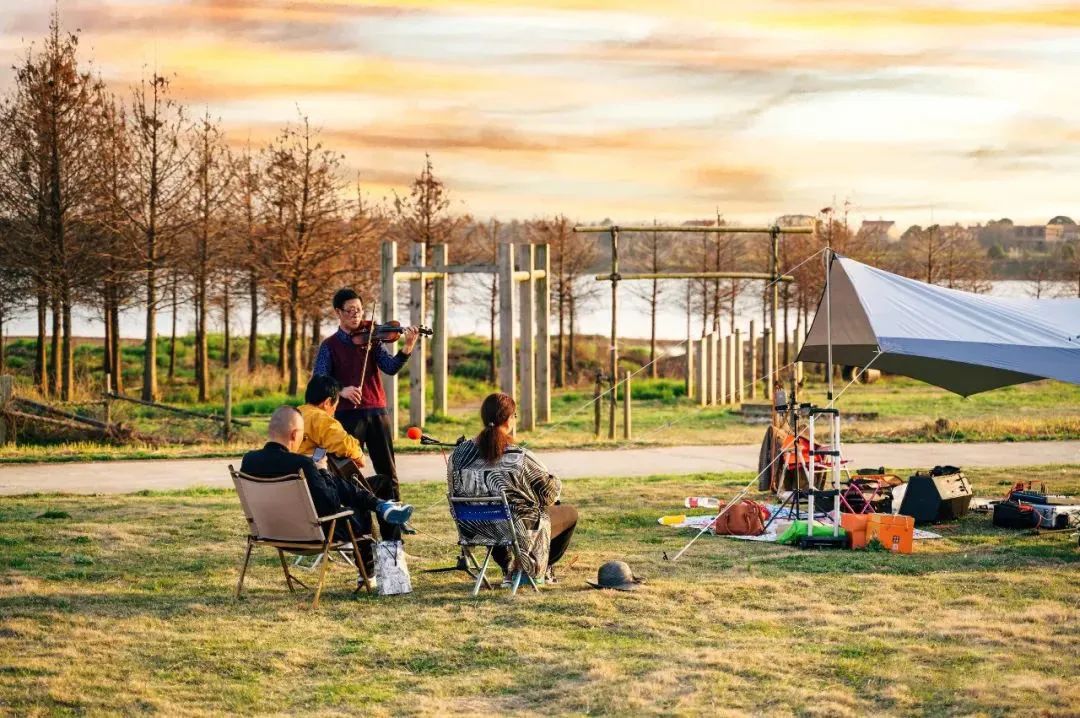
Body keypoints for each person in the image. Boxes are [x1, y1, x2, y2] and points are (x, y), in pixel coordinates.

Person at [240, 405, 414, 581]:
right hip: (310, 536)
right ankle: (369, 568)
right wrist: (322, 471)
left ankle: (380, 505)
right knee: (356, 505)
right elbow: (330, 504)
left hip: (269, 531)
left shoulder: (249, 461)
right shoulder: (302, 464)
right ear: (294, 435)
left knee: (336, 484)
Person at [446, 392, 577, 584]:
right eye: (514, 415)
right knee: (568, 513)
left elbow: (454, 491)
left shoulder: (458, 455)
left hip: (474, 528)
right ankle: (535, 570)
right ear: (508, 419)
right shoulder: (519, 456)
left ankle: (508, 566)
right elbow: (550, 493)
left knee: (497, 512)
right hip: (515, 530)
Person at [312, 288, 420, 499]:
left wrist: (407, 348)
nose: (356, 315)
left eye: (360, 310)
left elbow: (389, 367)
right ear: (338, 312)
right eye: (350, 310)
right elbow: (320, 379)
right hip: (347, 415)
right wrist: (341, 390)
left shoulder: (372, 338)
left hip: (377, 411)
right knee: (348, 472)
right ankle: (356, 523)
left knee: (388, 471)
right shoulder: (329, 346)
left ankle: (394, 521)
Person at [297, 374, 403, 545]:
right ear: (327, 402)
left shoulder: (295, 415)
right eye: (335, 406)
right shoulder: (320, 417)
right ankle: (392, 543)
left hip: (302, 498)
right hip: (323, 492)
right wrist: (360, 455)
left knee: (360, 490)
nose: (334, 412)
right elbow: (344, 444)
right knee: (384, 482)